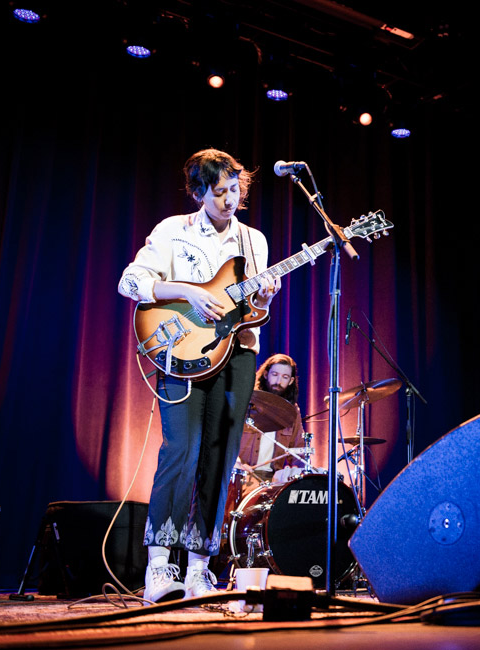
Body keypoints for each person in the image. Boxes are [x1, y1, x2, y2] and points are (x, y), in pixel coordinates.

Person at [118, 148, 278, 603]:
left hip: (237, 354)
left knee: (220, 460)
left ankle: (198, 570)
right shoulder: (173, 230)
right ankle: (158, 567)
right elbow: (130, 281)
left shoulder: (254, 240)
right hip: (182, 353)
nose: (230, 200)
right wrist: (188, 291)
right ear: (198, 192)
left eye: (235, 190)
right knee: (181, 452)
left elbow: (252, 310)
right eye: (219, 191)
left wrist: (265, 297)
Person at [251, 353, 307, 484]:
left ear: (291, 381)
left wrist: (297, 471)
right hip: (244, 475)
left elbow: (298, 449)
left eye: (285, 377)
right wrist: (237, 463)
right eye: (275, 374)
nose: (278, 382)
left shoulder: (292, 411)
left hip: (274, 479)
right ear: (266, 374)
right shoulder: (248, 403)